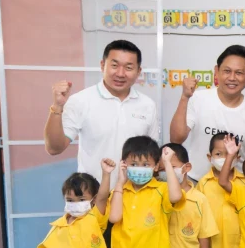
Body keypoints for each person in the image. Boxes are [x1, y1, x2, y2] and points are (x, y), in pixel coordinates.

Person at [44, 40, 159, 188]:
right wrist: (57, 107)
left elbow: (153, 157)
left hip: (135, 195)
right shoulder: (81, 100)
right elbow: (54, 148)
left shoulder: (147, 105)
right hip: (93, 194)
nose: (120, 73)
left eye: (128, 67)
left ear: (138, 71)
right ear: (102, 65)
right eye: (114, 65)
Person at [108, 137, 186, 248]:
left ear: (155, 166)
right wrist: (119, 183)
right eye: (134, 164)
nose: (139, 168)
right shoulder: (119, 191)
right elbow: (114, 217)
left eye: (146, 164)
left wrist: (167, 163)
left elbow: (176, 197)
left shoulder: (161, 190)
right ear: (124, 164)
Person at [170, 45, 245, 181]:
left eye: (239, 73)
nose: (232, 78)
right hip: (197, 182)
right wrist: (184, 97)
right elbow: (176, 139)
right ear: (216, 71)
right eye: (227, 71)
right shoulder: (197, 99)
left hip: (235, 187)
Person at [160, 143, 219, 248]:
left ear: (186, 168)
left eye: (172, 166)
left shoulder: (199, 199)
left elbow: (204, 234)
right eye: (163, 168)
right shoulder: (158, 196)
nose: (167, 172)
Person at [195, 133, 245, 248]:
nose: (224, 158)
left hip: (239, 247)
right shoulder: (203, 183)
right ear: (209, 157)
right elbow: (199, 219)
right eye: (218, 154)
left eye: (229, 153)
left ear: (237, 157)